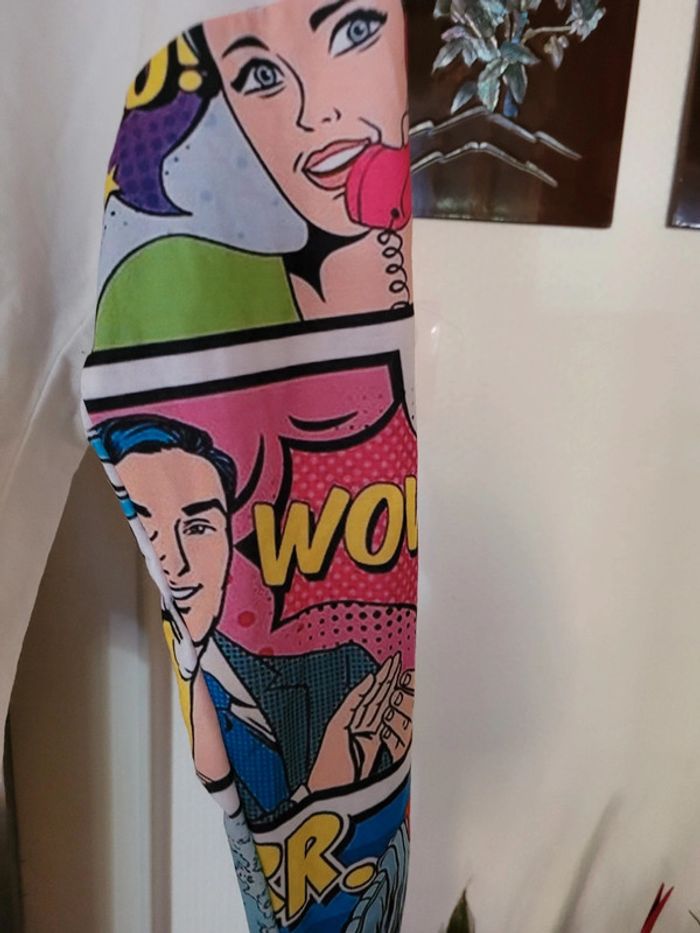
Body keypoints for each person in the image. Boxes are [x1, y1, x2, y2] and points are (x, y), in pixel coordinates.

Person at [92, 413, 414, 825]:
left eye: (197, 527)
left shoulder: (348, 674)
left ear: (229, 536)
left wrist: (386, 784)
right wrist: (318, 795)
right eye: (150, 531)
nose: (176, 562)